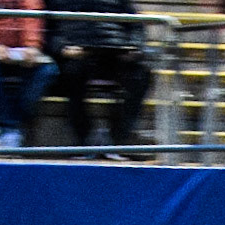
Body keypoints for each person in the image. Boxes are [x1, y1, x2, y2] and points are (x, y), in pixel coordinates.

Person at [44, 0, 152, 150]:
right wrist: (63, 48)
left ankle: (117, 140)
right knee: (72, 74)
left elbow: (136, 24)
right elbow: (48, 29)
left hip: (116, 51)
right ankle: (85, 140)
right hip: (77, 52)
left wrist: (134, 47)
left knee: (140, 75)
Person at [0, 0, 57, 148]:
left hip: (23, 53)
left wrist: (32, 45)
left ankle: (12, 128)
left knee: (48, 71)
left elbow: (32, 13)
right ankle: (11, 128)